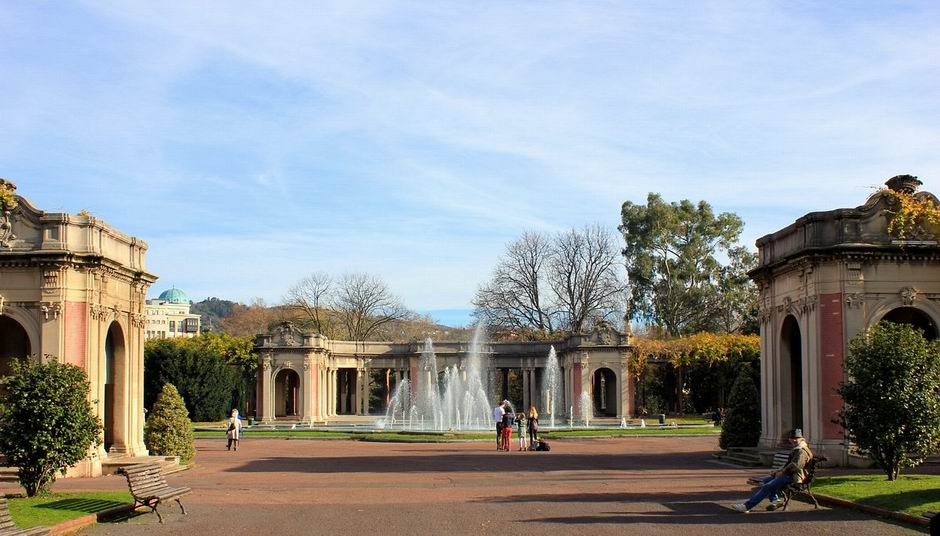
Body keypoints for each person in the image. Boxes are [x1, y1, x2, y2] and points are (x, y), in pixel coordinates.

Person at [732, 429, 813, 512]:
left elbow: (797, 466)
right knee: (766, 481)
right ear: (789, 439)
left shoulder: (801, 451)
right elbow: (789, 464)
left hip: (796, 477)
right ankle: (775, 500)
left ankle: (746, 506)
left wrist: (782, 472)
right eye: (792, 438)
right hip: (790, 474)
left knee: (767, 486)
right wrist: (777, 471)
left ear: (802, 439)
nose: (794, 440)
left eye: (797, 438)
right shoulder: (797, 449)